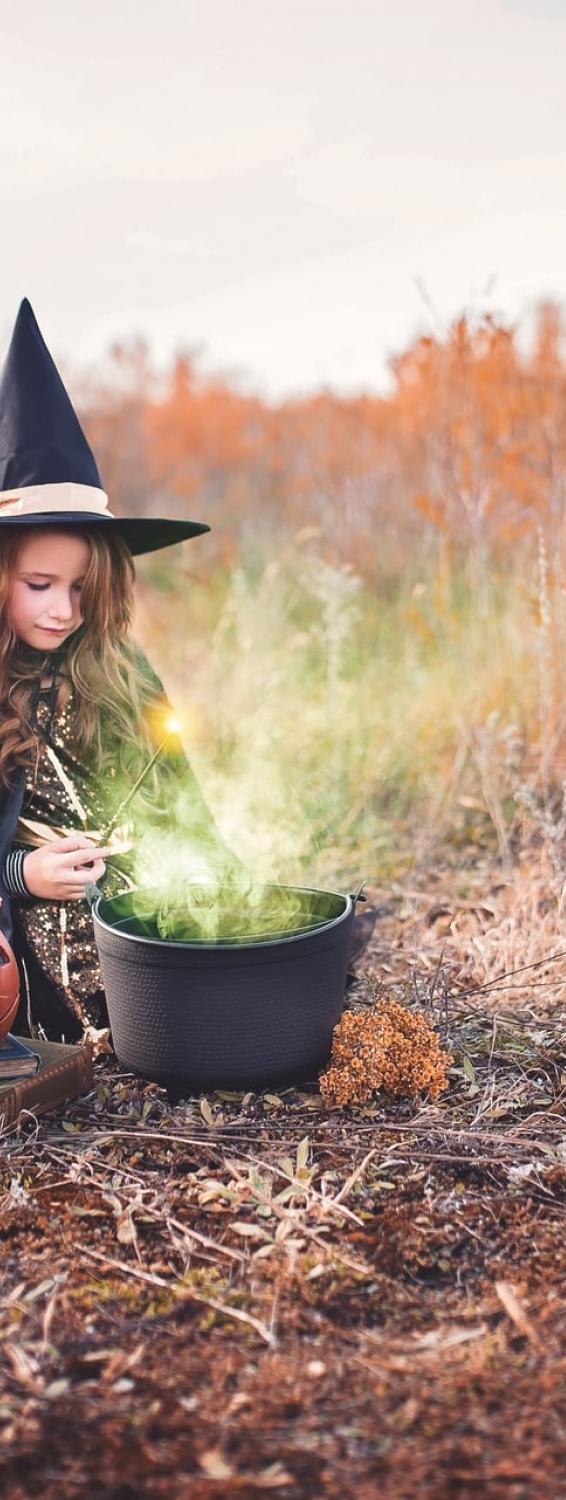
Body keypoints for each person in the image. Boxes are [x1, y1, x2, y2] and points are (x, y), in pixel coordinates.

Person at [0, 299, 244, 1043]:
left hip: (139, 899)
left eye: (81, 590)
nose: (62, 612)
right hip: (27, 928)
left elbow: (178, 799)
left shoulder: (119, 667)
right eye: (39, 586)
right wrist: (23, 875)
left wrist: (209, 878)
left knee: (223, 973)